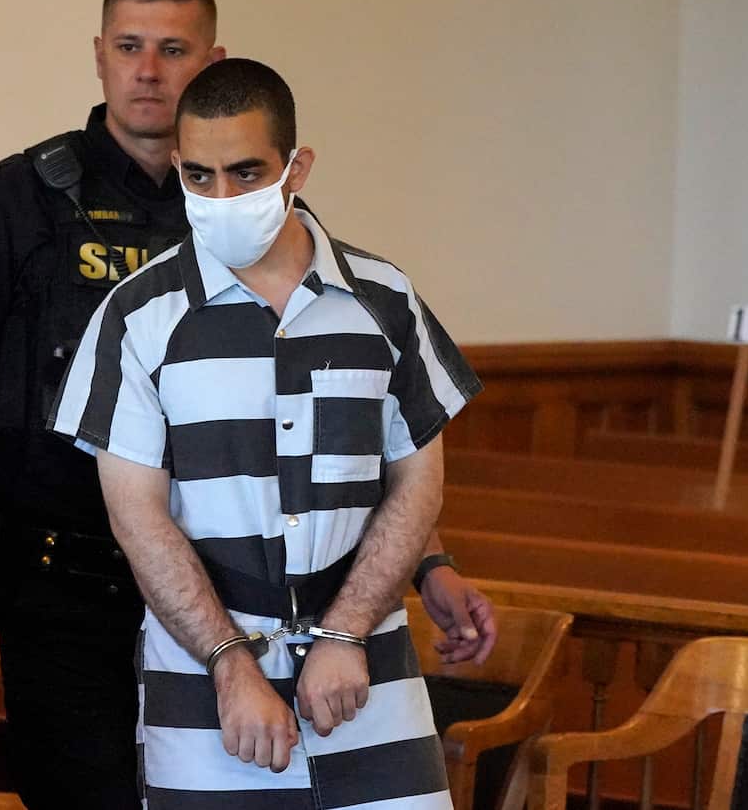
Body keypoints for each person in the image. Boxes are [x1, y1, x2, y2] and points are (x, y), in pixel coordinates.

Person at [0, 0, 493, 807]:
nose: (148, 70)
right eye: (128, 47)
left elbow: (339, 432)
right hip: (68, 584)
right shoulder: (20, 204)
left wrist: (428, 563)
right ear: (100, 55)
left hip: (250, 597)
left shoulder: (301, 247)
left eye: (172, 48)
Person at [50, 57, 480, 807]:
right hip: (205, 682)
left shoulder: (384, 300)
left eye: (247, 173)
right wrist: (230, 663)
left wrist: (345, 634)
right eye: (201, 177)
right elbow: (136, 515)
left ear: (296, 167)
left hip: (369, 673)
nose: (222, 197)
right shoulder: (136, 317)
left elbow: (418, 483)